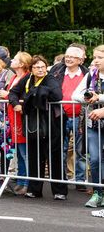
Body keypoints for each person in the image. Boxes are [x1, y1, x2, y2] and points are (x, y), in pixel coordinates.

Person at [9, 55, 66, 200]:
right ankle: (34, 190)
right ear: (32, 69)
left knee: (54, 157)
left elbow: (57, 95)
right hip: (33, 124)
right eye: (36, 67)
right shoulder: (27, 79)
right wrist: (16, 103)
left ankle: (59, 191)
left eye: (42, 67)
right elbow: (13, 92)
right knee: (34, 156)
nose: (40, 70)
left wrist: (37, 92)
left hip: (51, 124)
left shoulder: (51, 78)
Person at [49, 45, 88, 189]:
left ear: (80, 60)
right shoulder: (56, 71)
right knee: (61, 149)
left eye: (72, 57)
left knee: (80, 149)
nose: (68, 59)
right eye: (67, 56)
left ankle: (80, 180)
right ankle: (62, 179)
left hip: (80, 117)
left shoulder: (87, 74)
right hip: (60, 115)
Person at [73, 45, 104, 209]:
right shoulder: (90, 75)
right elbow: (75, 95)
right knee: (95, 159)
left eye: (100, 57)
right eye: (95, 57)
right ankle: (98, 192)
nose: (96, 61)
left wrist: (101, 98)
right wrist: (88, 98)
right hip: (94, 124)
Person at [0, 52, 32, 195]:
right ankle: (22, 180)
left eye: (15, 59)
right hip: (13, 117)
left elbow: (22, 96)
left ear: (22, 64)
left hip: (21, 117)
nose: (12, 60)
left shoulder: (26, 77)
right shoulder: (16, 77)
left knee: (24, 153)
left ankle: (27, 182)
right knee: (18, 152)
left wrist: (7, 95)